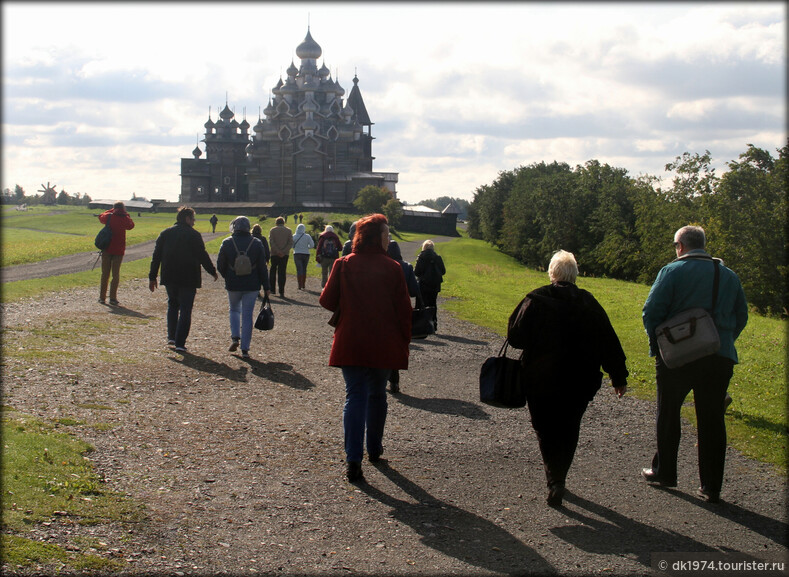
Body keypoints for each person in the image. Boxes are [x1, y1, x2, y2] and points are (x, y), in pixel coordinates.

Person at [507, 250, 628, 507]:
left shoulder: (535, 299)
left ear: (552, 272)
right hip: (580, 379)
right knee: (570, 426)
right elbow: (608, 341)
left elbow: (515, 337)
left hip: (540, 377)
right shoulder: (588, 302)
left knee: (544, 427)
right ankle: (559, 476)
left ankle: (555, 480)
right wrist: (618, 377)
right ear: (575, 275)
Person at [641, 225, 748, 504]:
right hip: (719, 356)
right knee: (712, 419)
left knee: (669, 413)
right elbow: (742, 315)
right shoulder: (727, 275)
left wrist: (659, 347)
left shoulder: (671, 272)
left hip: (678, 356)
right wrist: (721, 340)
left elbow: (651, 312)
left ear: (680, 246)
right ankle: (711, 487)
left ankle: (665, 472)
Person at [319, 214, 412, 483]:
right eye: (386, 235)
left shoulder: (344, 264)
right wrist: (404, 342)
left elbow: (326, 301)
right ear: (376, 237)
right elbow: (404, 311)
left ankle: (353, 459)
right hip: (383, 343)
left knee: (355, 396)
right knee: (377, 396)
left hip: (351, 341)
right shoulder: (393, 268)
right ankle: (374, 449)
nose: (389, 239)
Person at [149, 206, 218, 353]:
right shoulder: (194, 235)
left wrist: (152, 276)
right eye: (193, 219)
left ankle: (172, 337)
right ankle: (180, 342)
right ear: (187, 219)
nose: (194, 222)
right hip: (188, 277)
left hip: (170, 276)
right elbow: (202, 255)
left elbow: (156, 256)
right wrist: (212, 271)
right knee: (186, 309)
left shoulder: (165, 233)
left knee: (173, 305)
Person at [217, 216, 271, 359]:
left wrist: (228, 276)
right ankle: (245, 348)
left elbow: (220, 264)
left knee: (234, 309)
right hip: (252, 285)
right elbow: (262, 267)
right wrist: (266, 286)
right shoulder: (257, 243)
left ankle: (235, 337)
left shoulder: (227, 242)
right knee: (247, 315)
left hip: (233, 284)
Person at [386, 240, 422, 394]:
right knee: (395, 346)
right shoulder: (406, 267)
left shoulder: (383, 265)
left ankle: (380, 378)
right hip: (401, 311)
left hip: (383, 309)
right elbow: (414, 291)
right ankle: (394, 381)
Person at [98, 201, 135, 306]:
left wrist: (111, 211)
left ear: (114, 208)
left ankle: (102, 297)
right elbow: (131, 226)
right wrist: (126, 214)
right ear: (123, 208)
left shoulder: (109, 217)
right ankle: (113, 298)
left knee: (105, 274)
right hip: (119, 250)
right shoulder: (125, 218)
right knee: (115, 274)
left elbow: (101, 216)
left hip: (107, 248)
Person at [414, 239, 446, 331]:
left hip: (423, 284)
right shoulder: (437, 258)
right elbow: (443, 271)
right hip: (434, 285)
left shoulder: (421, 257)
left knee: (421, 304)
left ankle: (421, 325)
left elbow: (417, 272)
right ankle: (433, 323)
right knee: (433, 303)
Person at [268, 216, 293, 297]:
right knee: (282, 272)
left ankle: (272, 289)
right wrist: (283, 251)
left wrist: (277, 251)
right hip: (284, 254)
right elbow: (290, 243)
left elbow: (271, 242)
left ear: (276, 222)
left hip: (274, 254)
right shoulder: (288, 231)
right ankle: (281, 290)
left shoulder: (272, 230)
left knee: (273, 271)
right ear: (283, 222)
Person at [316, 224, 342, 288]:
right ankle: (331, 286)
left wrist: (318, 257)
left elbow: (319, 247)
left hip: (324, 257)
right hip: (334, 258)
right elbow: (340, 248)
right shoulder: (335, 237)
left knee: (324, 273)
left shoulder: (323, 237)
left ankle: (324, 286)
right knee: (332, 273)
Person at [292, 223, 315, 290]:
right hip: (306, 253)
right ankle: (303, 284)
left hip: (297, 253)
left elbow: (291, 245)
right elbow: (312, 245)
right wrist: (307, 247)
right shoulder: (307, 236)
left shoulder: (294, 236)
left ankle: (299, 285)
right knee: (304, 269)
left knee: (299, 269)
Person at [251, 223, 271, 299]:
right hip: (261, 259)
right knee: (261, 274)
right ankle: (262, 288)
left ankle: (256, 290)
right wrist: (267, 258)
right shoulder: (263, 238)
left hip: (252, 260)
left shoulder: (250, 238)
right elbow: (266, 249)